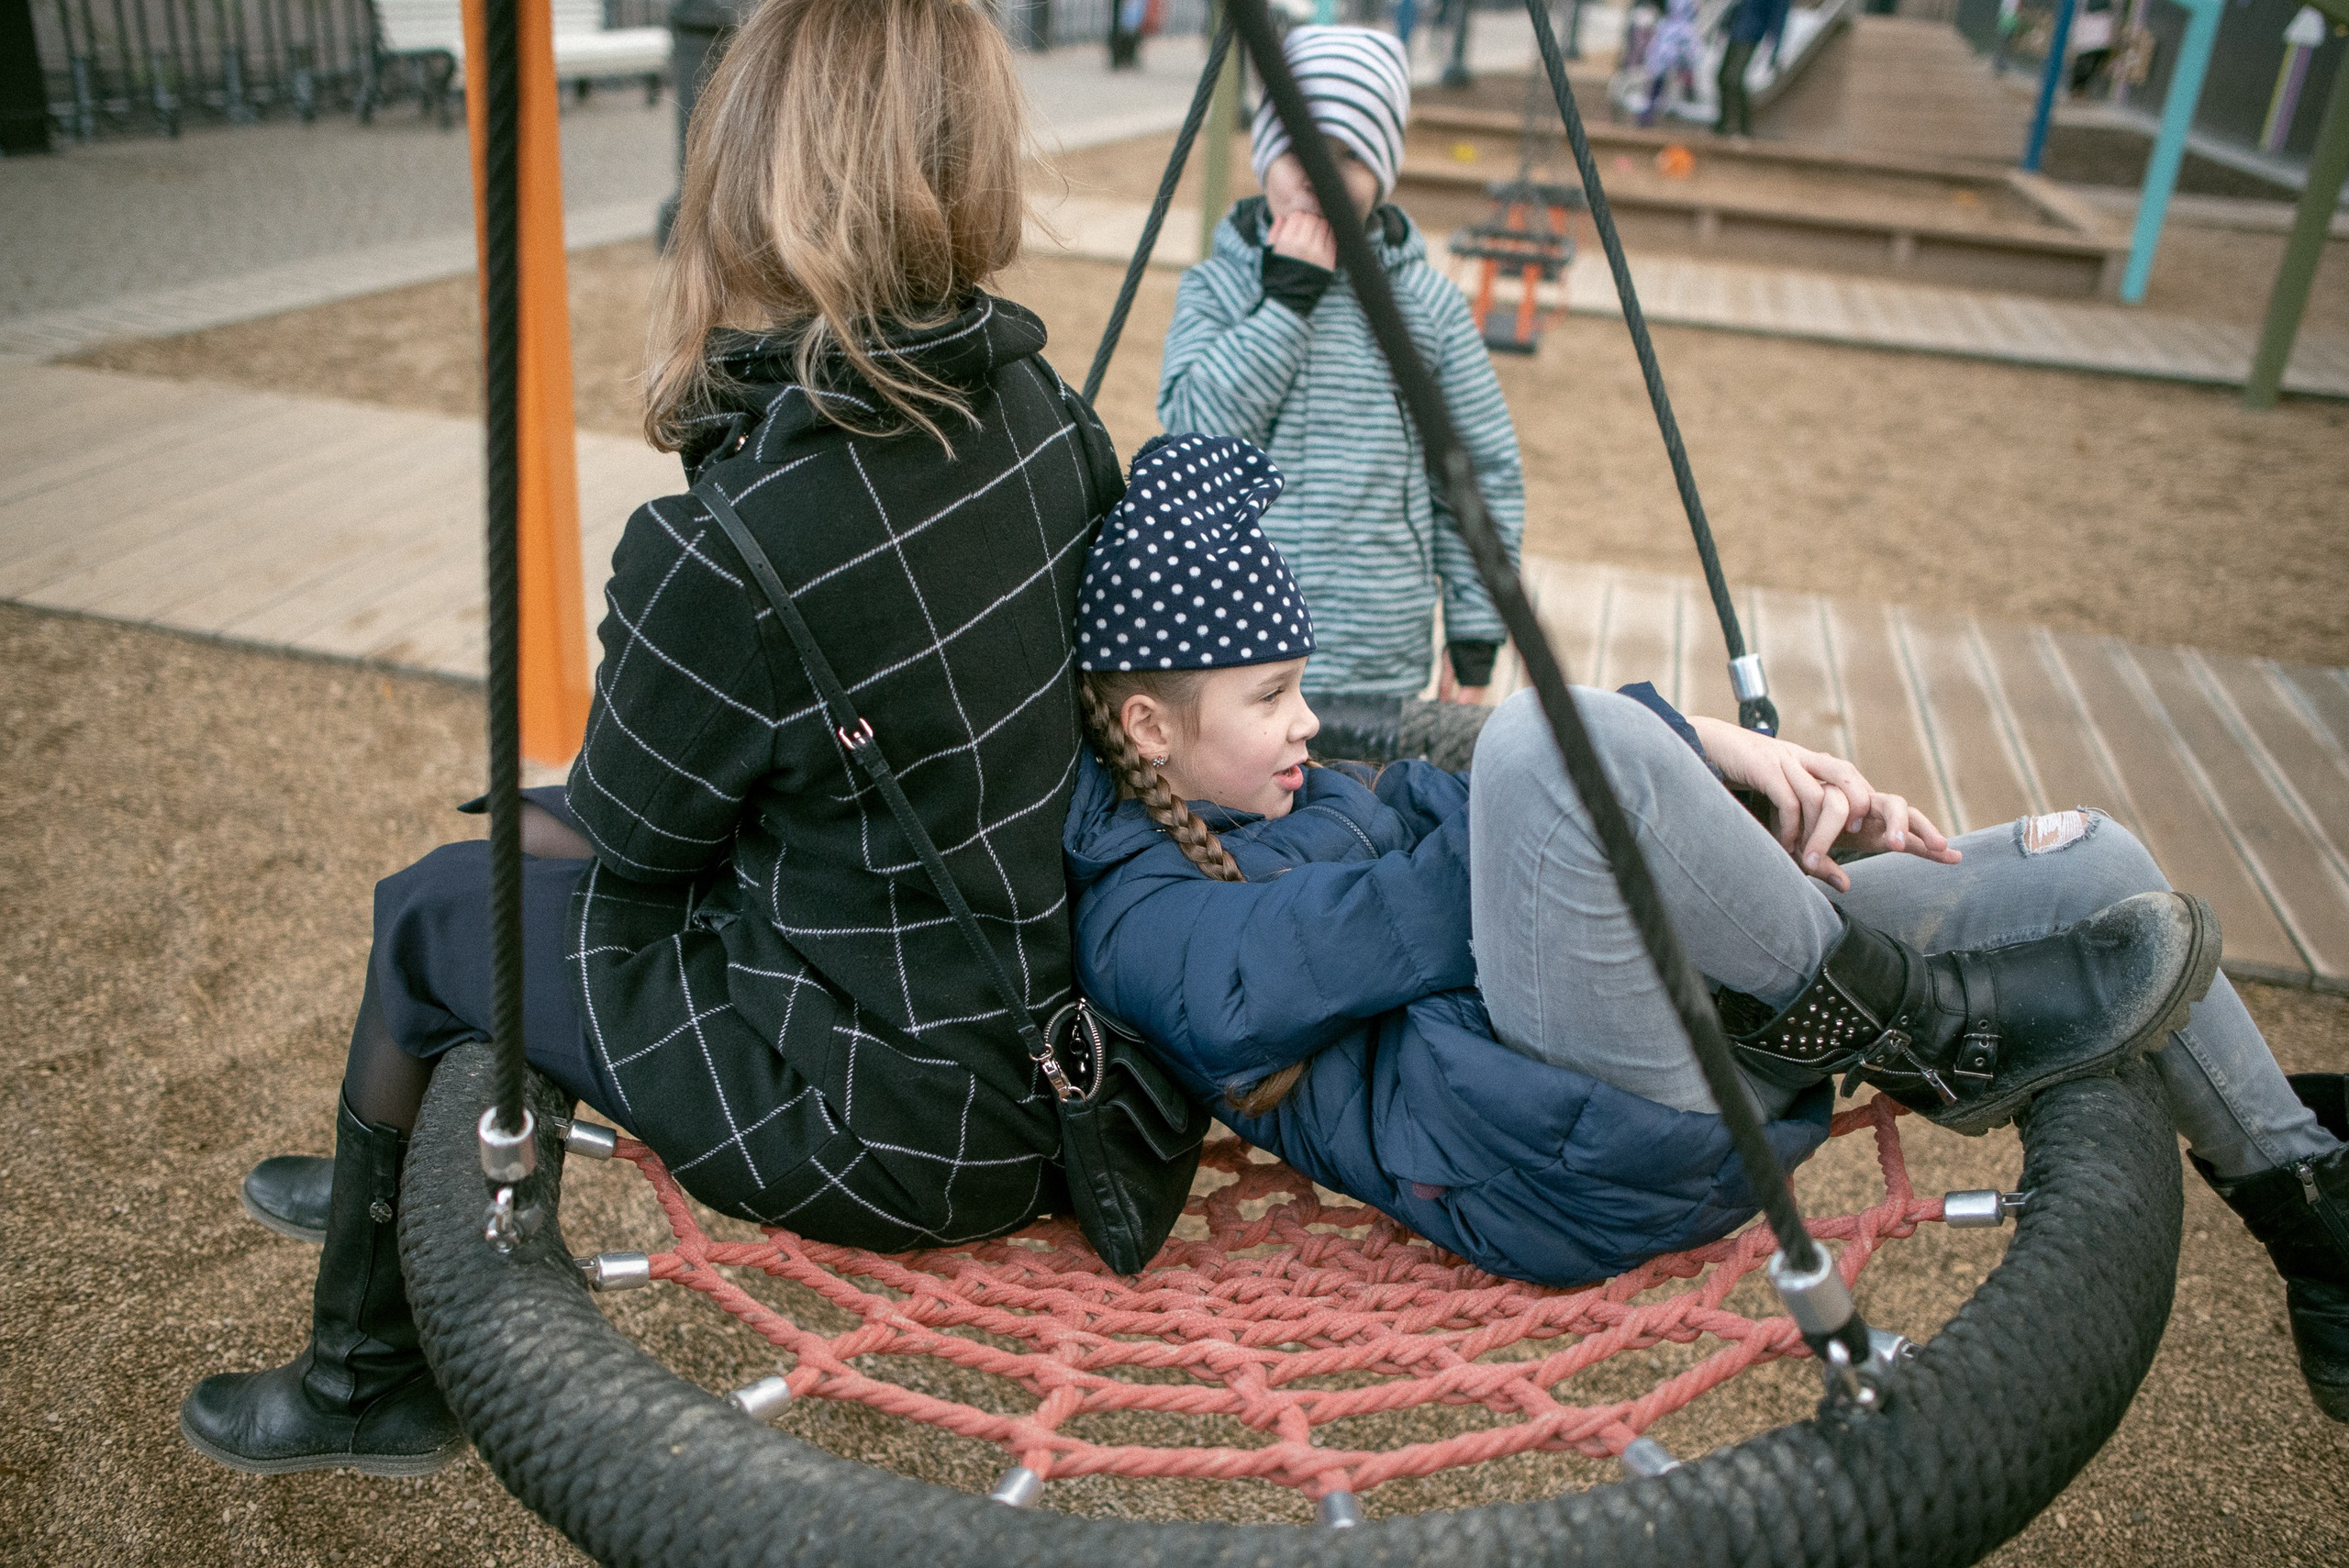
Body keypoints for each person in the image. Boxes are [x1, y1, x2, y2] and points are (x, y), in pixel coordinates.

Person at [179, 0, 1123, 1477]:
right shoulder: (1046, 407)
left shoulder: (724, 550)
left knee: (438, 910)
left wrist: (526, 826)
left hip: (881, 1113)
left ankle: (369, 1382)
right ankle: (388, 1138)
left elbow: (642, 844)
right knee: (506, 851)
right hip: (1060, 1060)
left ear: (748, 172)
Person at [1065, 434, 2349, 1420]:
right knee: (1543, 741)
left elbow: (1522, 832)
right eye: (1271, 693)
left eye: (1300, 688)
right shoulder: (1146, 921)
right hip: (1549, 1150)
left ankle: (2314, 1210)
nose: (1306, 721)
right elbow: (1405, 906)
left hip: (1664, 1034)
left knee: (2092, 860)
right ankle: (1913, 1014)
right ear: (1147, 729)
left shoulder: (1324, 794)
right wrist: (1669, 762)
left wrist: (1734, 798)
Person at [1156, 25, 1525, 737]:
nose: (1319, 177)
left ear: (1384, 171)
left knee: (1362, 816)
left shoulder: (1428, 309)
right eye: (1299, 147)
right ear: (1266, 149)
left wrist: (1476, 631)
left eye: (1351, 156)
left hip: (1377, 641)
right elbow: (1193, 438)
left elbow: (1478, 475)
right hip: (1239, 638)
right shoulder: (1219, 289)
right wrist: (1284, 306)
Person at [1715, 0, 1787, 139]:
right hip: (1736, 33)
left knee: (1734, 78)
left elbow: (1779, 16)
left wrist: (1775, 47)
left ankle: (1742, 126)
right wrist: (1725, 26)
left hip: (1751, 35)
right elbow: (1738, 7)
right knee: (1722, 76)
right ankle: (1724, 122)